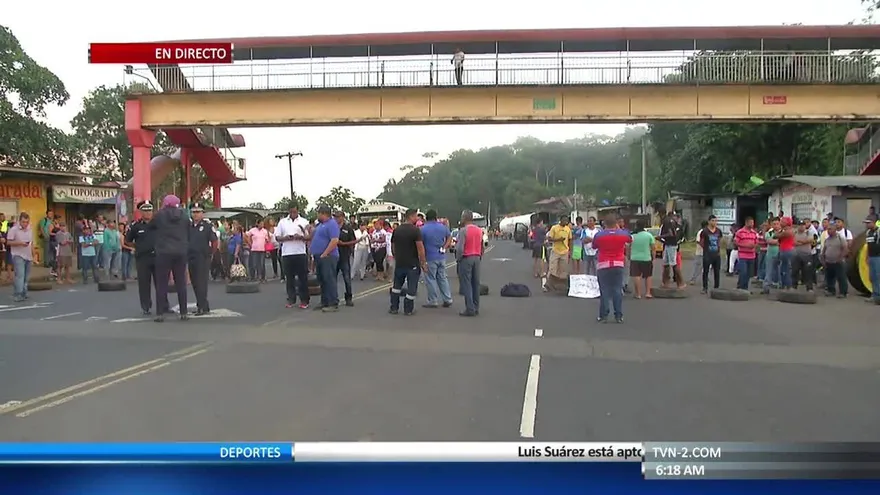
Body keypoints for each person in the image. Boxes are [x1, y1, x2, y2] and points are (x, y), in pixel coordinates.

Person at [152, 195, 190, 322]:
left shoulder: (159, 215)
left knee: (161, 283)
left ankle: (159, 313)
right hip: (180, 252)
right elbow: (188, 231)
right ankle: (184, 312)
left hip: (163, 252)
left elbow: (152, 228)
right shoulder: (184, 216)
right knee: (181, 283)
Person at [127, 201, 166, 316]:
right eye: (145, 210)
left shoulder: (159, 224)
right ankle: (146, 306)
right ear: (141, 212)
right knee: (144, 284)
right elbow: (128, 240)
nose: (147, 213)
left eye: (149, 210)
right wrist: (138, 247)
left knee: (161, 283)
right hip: (143, 258)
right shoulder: (135, 226)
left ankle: (164, 305)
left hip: (158, 257)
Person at [591, 213, 631, 323]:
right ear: (616, 223)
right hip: (618, 263)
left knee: (604, 290)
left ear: (604, 223)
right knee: (617, 289)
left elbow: (594, 246)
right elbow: (629, 239)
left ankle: (603, 315)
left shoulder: (599, 235)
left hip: (603, 264)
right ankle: (618, 315)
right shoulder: (622, 234)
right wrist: (618, 229)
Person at [389, 208, 427, 316]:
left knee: (396, 286)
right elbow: (420, 248)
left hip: (400, 262)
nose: (417, 218)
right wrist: (423, 263)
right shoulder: (415, 230)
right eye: (415, 216)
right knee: (411, 287)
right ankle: (408, 309)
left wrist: (396, 256)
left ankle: (394, 307)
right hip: (412, 263)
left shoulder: (397, 230)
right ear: (411, 216)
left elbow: (393, 246)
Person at [275, 202, 311, 309]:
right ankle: (291, 298)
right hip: (287, 253)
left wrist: (300, 237)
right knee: (289, 278)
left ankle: (304, 300)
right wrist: (286, 238)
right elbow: (277, 237)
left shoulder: (304, 221)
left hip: (300, 252)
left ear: (298, 211)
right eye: (291, 212)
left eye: (295, 211)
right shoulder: (282, 222)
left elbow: (309, 237)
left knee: (302, 278)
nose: (293, 213)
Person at [420, 209, 454, 309]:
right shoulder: (443, 227)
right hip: (441, 256)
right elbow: (449, 237)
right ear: (436, 217)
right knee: (442, 278)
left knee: (430, 279)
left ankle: (433, 300)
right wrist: (445, 246)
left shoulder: (423, 229)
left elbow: (420, 244)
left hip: (430, 256)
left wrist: (422, 260)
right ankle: (447, 298)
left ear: (426, 217)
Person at [188, 203, 217, 316]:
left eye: (198, 212)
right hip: (191, 257)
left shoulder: (207, 226)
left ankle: (202, 305)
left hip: (202, 258)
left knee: (201, 283)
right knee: (195, 282)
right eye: (193, 212)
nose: (195, 214)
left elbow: (214, 241)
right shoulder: (188, 226)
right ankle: (202, 305)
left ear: (202, 213)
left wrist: (210, 253)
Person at [311, 206, 341, 312]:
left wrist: (325, 253)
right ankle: (325, 301)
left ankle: (333, 302)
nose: (317, 215)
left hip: (328, 256)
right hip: (319, 256)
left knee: (329, 279)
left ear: (324, 214)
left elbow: (334, 240)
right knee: (322, 280)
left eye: (318, 213)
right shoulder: (320, 225)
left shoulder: (332, 224)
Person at [455, 210, 483, 316]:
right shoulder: (479, 230)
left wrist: (458, 258)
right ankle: (476, 307)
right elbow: (482, 246)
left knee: (466, 284)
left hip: (467, 257)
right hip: (477, 256)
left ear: (464, 218)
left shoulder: (463, 231)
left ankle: (469, 308)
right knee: (475, 283)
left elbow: (460, 247)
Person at [6, 212, 34, 302]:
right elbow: (8, 242)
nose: (25, 224)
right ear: (19, 221)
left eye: (26, 222)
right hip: (18, 254)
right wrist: (20, 243)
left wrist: (34, 255)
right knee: (20, 275)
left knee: (26, 276)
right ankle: (18, 294)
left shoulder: (29, 229)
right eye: (23, 222)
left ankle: (24, 292)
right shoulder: (14, 230)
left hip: (28, 255)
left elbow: (31, 243)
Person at [334, 211, 357, 307]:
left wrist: (345, 245)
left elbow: (353, 241)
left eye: (339, 217)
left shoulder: (348, 228)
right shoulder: (333, 228)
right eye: (336, 217)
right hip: (334, 256)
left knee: (347, 278)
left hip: (344, 256)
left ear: (343, 217)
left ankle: (349, 298)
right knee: (332, 278)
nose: (337, 219)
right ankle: (334, 298)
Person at [628, 220, 655, 299]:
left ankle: (638, 293)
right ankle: (648, 293)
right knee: (648, 276)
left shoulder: (632, 236)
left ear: (636, 226)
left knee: (636, 275)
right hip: (646, 258)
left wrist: (628, 256)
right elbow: (653, 248)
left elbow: (628, 247)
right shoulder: (649, 235)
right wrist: (653, 257)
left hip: (635, 258)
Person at [820, 222, 848, 298]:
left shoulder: (840, 238)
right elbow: (824, 250)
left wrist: (840, 258)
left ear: (835, 230)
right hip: (828, 261)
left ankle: (843, 292)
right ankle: (831, 291)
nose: (828, 231)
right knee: (830, 277)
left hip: (838, 262)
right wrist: (822, 258)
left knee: (841, 277)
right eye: (828, 229)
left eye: (830, 229)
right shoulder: (827, 240)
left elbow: (845, 249)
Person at [545, 216, 572, 292]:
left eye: (567, 221)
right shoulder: (554, 228)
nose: (565, 222)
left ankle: (559, 286)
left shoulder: (568, 229)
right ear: (560, 220)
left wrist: (570, 251)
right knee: (552, 268)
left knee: (563, 270)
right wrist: (558, 240)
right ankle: (548, 285)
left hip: (565, 251)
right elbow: (549, 239)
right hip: (556, 251)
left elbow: (570, 240)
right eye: (564, 221)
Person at [659, 211, 683, 288]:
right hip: (668, 244)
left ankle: (681, 283)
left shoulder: (668, 221)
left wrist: (660, 237)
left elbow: (671, 234)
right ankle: (665, 283)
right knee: (666, 264)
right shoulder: (673, 222)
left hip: (671, 245)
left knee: (673, 264)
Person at [699, 215, 723, 294]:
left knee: (717, 271)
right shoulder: (704, 231)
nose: (714, 222)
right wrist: (706, 250)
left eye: (715, 221)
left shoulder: (718, 231)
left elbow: (719, 241)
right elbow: (701, 242)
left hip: (716, 254)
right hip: (707, 254)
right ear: (709, 221)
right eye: (712, 221)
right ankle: (705, 288)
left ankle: (716, 287)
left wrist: (718, 250)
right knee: (706, 271)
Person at [733, 217, 759, 290]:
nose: (752, 224)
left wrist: (754, 246)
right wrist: (746, 245)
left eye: (753, 223)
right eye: (750, 222)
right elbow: (735, 242)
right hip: (743, 255)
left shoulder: (754, 233)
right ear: (746, 223)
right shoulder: (740, 232)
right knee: (743, 272)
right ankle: (740, 287)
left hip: (752, 256)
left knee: (749, 274)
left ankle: (745, 288)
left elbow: (757, 242)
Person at [791, 219, 815, 292]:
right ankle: (793, 286)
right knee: (795, 271)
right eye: (800, 225)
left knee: (808, 272)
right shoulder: (794, 233)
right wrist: (804, 242)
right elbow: (793, 242)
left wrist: (801, 242)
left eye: (803, 225)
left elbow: (811, 240)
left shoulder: (809, 233)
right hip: (796, 255)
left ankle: (809, 288)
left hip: (807, 255)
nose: (801, 227)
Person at [864, 216, 880, 304]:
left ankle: (878, 296)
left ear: (874, 222)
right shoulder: (868, 232)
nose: (867, 225)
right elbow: (868, 246)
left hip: (878, 257)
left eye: (868, 223)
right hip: (871, 257)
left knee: (877, 277)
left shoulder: (878, 232)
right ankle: (874, 295)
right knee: (872, 277)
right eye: (866, 223)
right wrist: (867, 257)